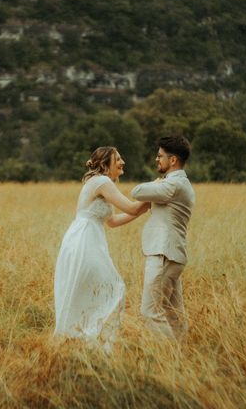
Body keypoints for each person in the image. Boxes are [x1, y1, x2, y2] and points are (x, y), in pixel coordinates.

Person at [54, 146, 150, 350]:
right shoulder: (103, 182)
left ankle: (86, 342)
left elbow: (113, 221)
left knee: (94, 290)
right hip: (85, 240)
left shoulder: (99, 182)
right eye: (118, 159)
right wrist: (156, 195)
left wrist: (145, 209)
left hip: (85, 237)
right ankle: (91, 341)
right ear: (106, 164)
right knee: (113, 287)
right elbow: (132, 207)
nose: (123, 162)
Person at [131, 135, 195, 342]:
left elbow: (137, 191)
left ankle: (167, 357)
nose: (156, 160)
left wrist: (156, 182)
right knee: (173, 314)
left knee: (150, 312)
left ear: (173, 160)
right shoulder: (179, 184)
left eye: (160, 156)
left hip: (163, 254)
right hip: (172, 255)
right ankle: (182, 360)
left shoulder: (172, 185)